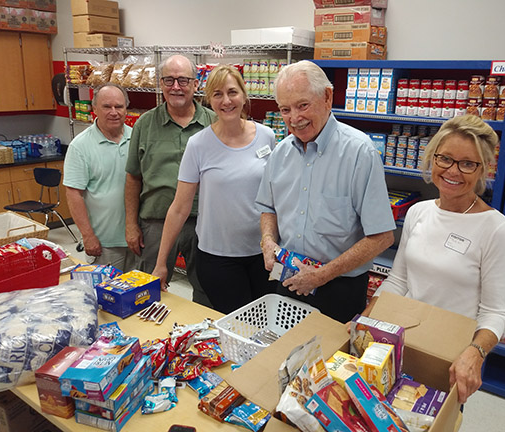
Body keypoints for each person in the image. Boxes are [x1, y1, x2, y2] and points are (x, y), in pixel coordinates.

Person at [363, 115, 505, 404]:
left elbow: (495, 313)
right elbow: (398, 281)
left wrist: (475, 353)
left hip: (449, 356)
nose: (453, 171)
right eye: (444, 158)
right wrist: (366, 318)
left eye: (467, 163)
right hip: (401, 342)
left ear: (483, 169)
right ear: (432, 158)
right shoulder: (418, 212)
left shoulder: (496, 229)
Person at [255, 60, 396, 323]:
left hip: (338, 290)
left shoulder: (359, 152)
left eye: (303, 105)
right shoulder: (281, 153)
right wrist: (268, 241)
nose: (294, 118)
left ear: (327, 97)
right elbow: (268, 208)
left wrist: (321, 276)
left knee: (332, 363)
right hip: (286, 281)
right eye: (285, 109)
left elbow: (382, 237)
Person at [152, 65, 277, 314]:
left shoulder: (267, 136)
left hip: (262, 255)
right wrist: (161, 263)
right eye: (217, 94)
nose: (226, 100)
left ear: (244, 95)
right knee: (237, 327)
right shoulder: (198, 144)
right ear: (209, 100)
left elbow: (275, 196)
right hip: (217, 258)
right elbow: (179, 208)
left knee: (265, 324)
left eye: (232, 92)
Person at [125, 54, 215, 306]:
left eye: (183, 80)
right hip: (155, 222)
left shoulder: (213, 123)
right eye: (169, 80)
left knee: (206, 289)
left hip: (202, 223)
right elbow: (133, 177)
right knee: (148, 290)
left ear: (196, 84)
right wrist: (131, 224)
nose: (176, 86)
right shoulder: (144, 124)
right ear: (160, 83)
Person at [63, 83, 133, 271]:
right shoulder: (80, 146)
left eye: (119, 106)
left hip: (137, 238)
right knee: (107, 296)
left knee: (139, 295)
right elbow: (73, 193)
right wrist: (87, 236)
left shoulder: (136, 138)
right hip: (104, 242)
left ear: (126, 109)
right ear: (94, 109)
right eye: (106, 106)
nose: (114, 112)